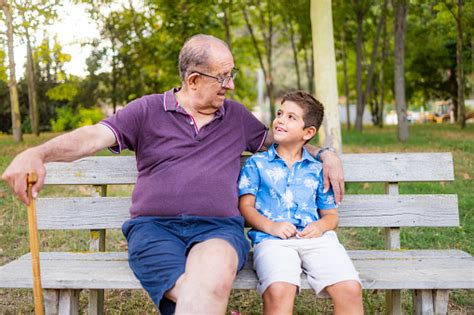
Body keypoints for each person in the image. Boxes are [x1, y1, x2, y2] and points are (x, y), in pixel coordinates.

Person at [1, 35, 345, 314]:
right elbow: (92, 136)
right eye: (223, 77)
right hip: (153, 228)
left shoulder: (237, 118)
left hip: (218, 229)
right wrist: (38, 152)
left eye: (232, 74)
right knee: (203, 291)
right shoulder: (147, 110)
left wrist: (326, 153)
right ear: (193, 80)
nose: (231, 85)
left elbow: (287, 141)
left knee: (210, 277)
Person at [238, 91, 363, 315]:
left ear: (308, 132)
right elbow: (245, 207)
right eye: (279, 114)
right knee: (279, 290)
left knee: (350, 289)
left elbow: (331, 216)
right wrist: (271, 226)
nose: (280, 120)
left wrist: (320, 226)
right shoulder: (257, 164)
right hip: (272, 240)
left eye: (291, 117)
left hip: (316, 241)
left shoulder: (317, 170)